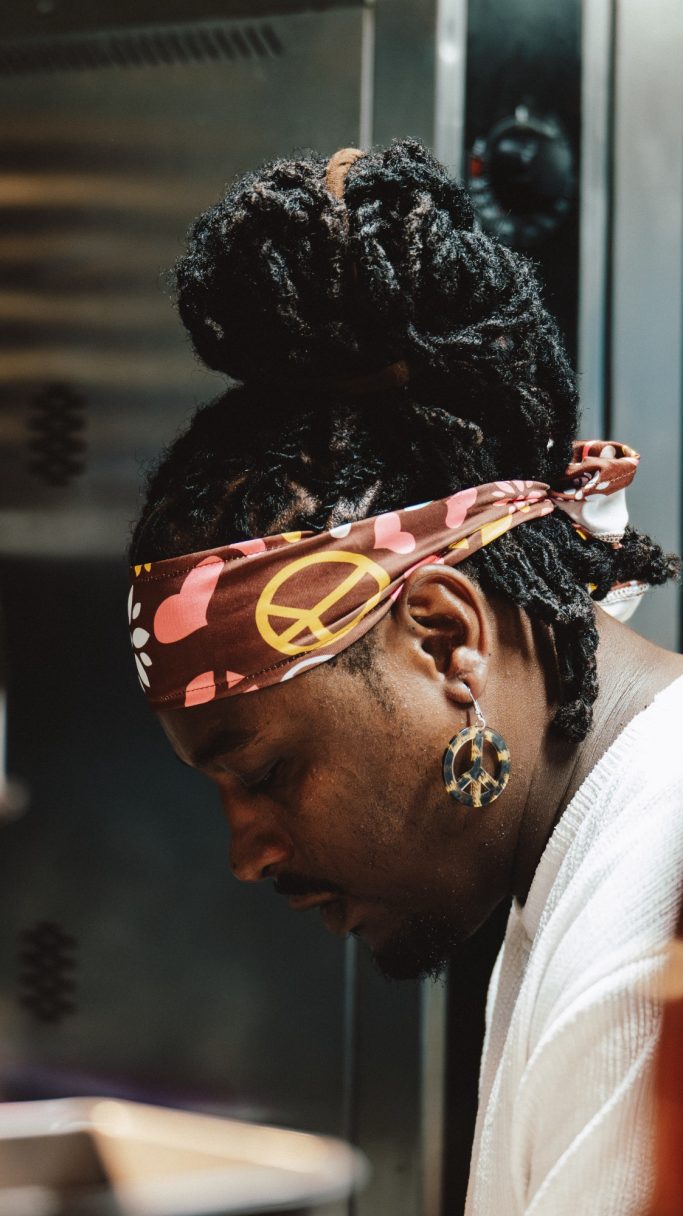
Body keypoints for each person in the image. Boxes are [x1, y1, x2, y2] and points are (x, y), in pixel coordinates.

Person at [127, 140, 683, 1215]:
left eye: (266, 771)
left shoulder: (644, 941)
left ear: (442, 639)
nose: (248, 852)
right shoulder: (591, 854)